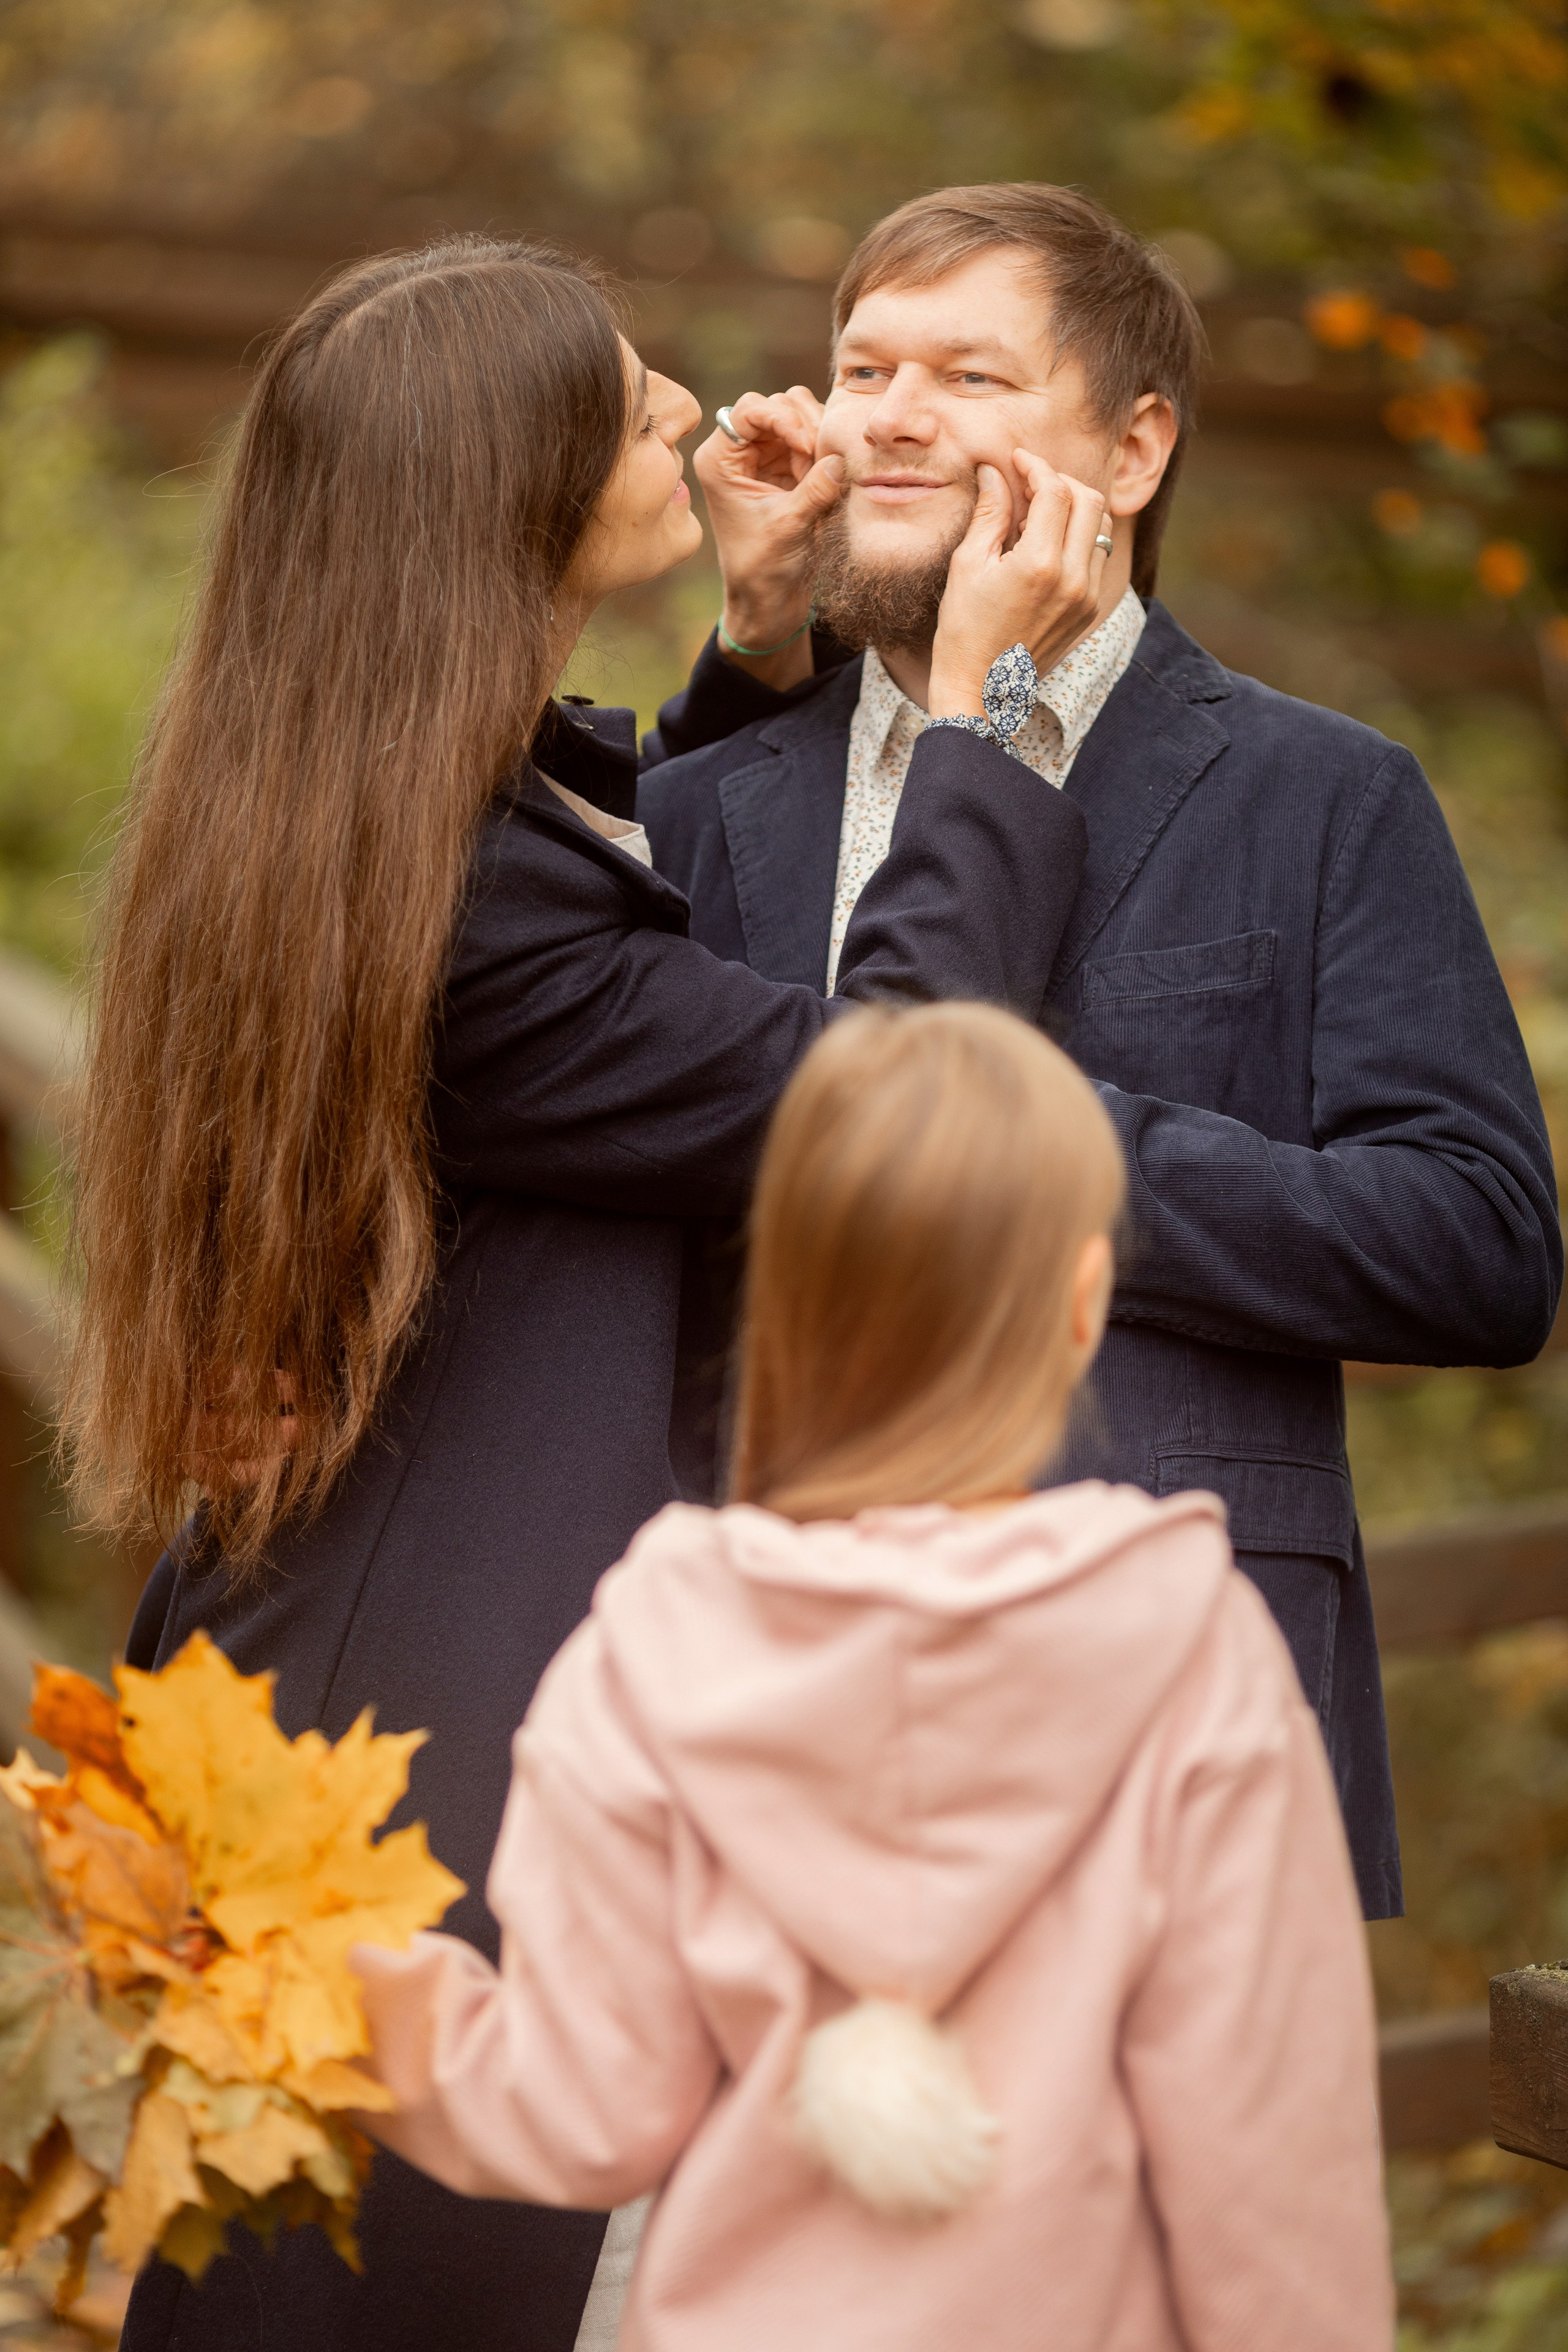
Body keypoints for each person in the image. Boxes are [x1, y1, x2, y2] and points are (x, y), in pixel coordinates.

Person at [64, 232, 1105, 2352]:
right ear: (513, 498)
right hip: (435, 1745)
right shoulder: (469, 903)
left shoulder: (379, 797)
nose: (706, 421)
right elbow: (874, 1102)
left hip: (351, 1646)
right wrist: (1001, 712)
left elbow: (632, 970)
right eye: (640, 409)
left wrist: (759, 639)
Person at [638, 181, 1564, 1923]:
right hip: (748, 1725)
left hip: (1169, 1741)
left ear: (1133, 452)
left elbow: (1480, 1250)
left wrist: (1025, 1156)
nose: (894, 415)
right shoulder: (696, 801)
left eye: (971, 378)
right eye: (862, 367)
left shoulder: (1323, 797)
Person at [350, 1003, 1395, 2352]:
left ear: (779, 1297)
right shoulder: (1194, 1653)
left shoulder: (647, 1650)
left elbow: (581, 2110)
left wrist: (327, 1990)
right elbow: (1266, 2166)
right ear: (1081, 1307)